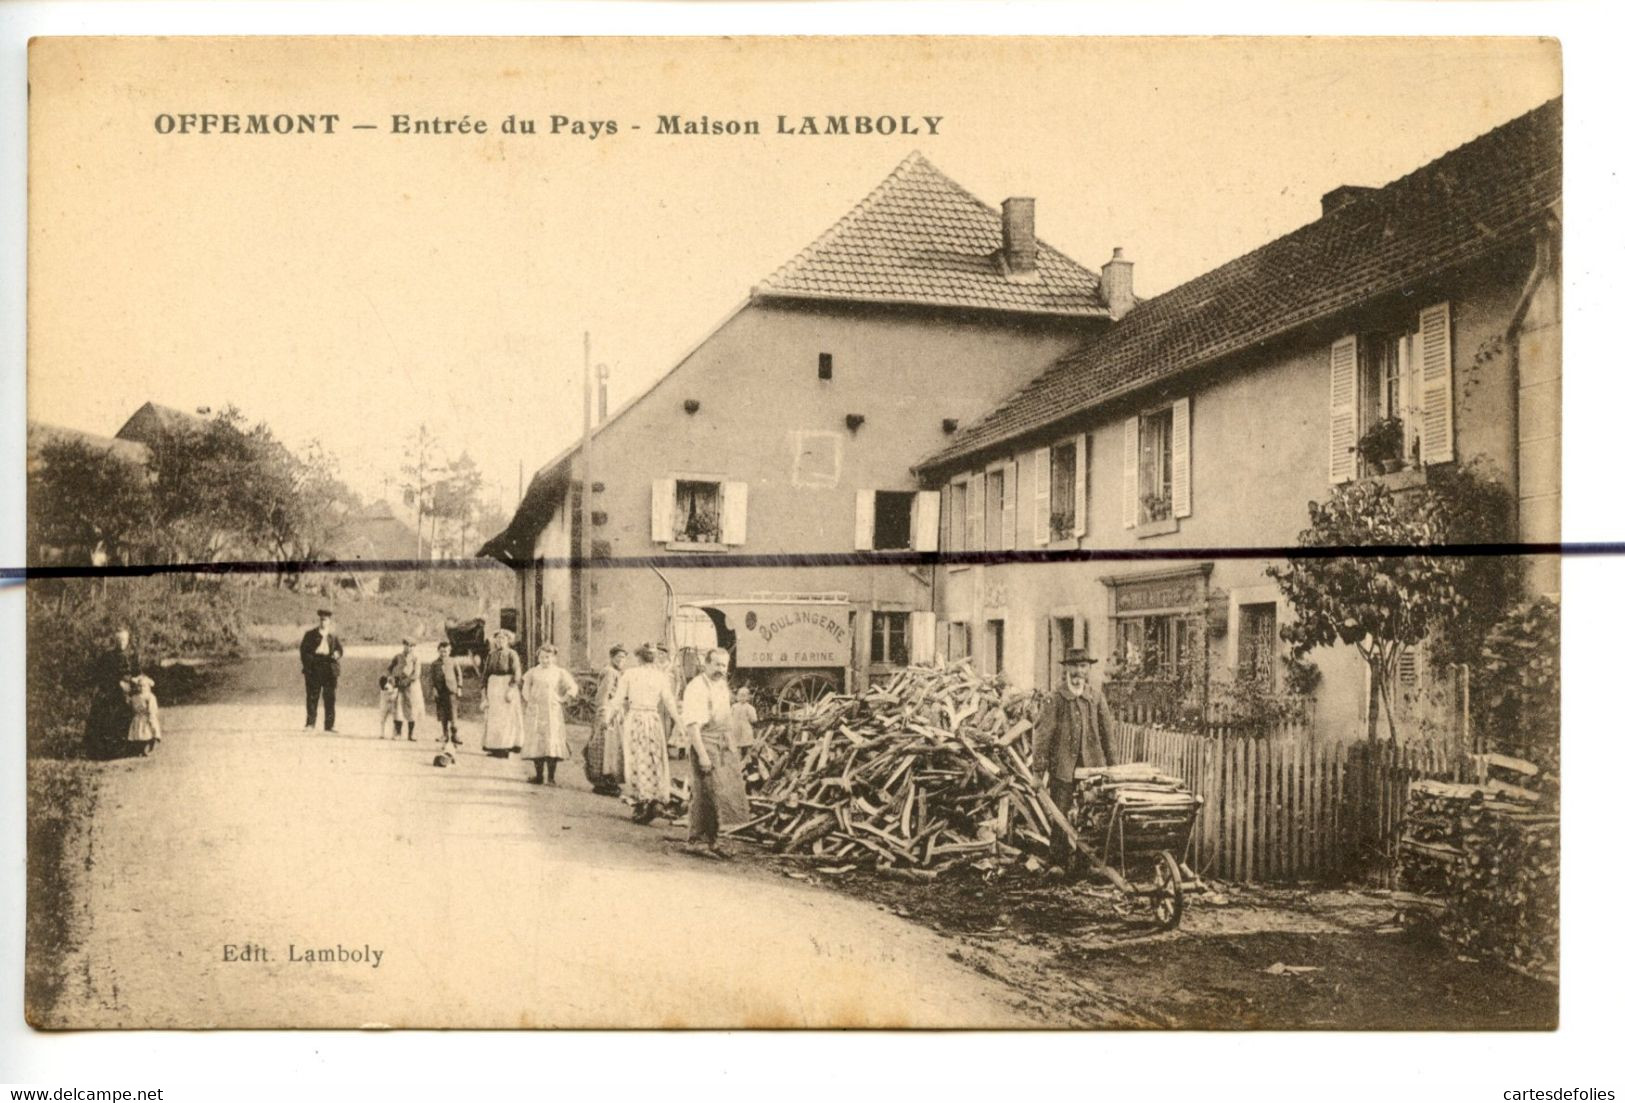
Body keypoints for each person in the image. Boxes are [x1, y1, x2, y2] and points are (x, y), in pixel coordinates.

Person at [1031, 646, 1115, 873]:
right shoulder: (1054, 699)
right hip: (1063, 769)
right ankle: (1057, 862)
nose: (1078, 672)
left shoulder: (1096, 698)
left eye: (1083, 666)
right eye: (1074, 667)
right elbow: (1042, 736)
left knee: (1090, 814)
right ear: (1066, 669)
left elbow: (1108, 735)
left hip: (1092, 769)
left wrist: (1114, 770)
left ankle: (1084, 863)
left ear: (1088, 670)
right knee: (1061, 812)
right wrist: (1038, 772)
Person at [681, 648, 750, 858]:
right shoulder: (696, 688)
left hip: (723, 743)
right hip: (706, 743)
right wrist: (702, 755)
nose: (721, 669)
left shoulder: (720, 684)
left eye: (724, 665)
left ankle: (715, 840)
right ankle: (697, 841)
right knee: (705, 793)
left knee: (723, 793)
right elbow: (693, 725)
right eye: (717, 664)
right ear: (706, 664)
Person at [605, 643, 681, 824]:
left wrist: (607, 719)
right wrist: (679, 722)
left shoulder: (630, 674)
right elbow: (669, 701)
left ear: (638, 657)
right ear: (654, 658)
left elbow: (617, 700)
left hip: (636, 719)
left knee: (636, 758)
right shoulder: (660, 676)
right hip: (653, 719)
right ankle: (652, 798)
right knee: (653, 757)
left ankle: (643, 800)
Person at [520, 644, 578, 785]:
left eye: (547, 657)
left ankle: (551, 778)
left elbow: (573, 687)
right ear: (538, 657)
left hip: (552, 711)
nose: (544, 660)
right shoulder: (533, 672)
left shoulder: (559, 672)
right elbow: (525, 687)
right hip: (536, 711)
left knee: (552, 740)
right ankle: (539, 776)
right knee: (537, 741)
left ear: (553, 658)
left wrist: (563, 698)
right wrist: (529, 700)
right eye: (541, 657)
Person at [85, 626, 142, 759]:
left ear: (128, 640)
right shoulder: (108, 656)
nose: (121, 642)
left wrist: (134, 680)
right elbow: (101, 675)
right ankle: (107, 751)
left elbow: (138, 672)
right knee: (108, 710)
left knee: (137, 706)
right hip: (112, 689)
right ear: (115, 641)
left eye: (124, 639)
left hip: (130, 688)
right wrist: (117, 682)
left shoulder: (133, 655)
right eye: (118, 640)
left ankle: (133, 746)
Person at [584, 644, 628, 796]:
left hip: (615, 712)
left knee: (612, 748)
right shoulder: (610, 672)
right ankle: (604, 782)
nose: (621, 660)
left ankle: (608, 780)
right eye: (618, 657)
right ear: (612, 658)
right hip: (608, 712)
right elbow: (603, 695)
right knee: (606, 747)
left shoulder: (618, 672)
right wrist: (604, 714)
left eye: (624, 658)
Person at [298, 609, 344, 733]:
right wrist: (310, 664)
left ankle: (329, 725)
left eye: (326, 620)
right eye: (321, 619)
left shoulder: (333, 636)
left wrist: (336, 654)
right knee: (312, 696)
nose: (323, 622)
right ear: (319, 620)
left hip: (329, 668)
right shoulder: (310, 635)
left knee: (330, 697)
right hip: (315, 667)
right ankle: (310, 724)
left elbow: (340, 650)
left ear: (330, 621)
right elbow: (303, 651)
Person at [481, 629, 525, 757]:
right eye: (498, 638)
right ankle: (494, 747)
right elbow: (486, 673)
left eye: (503, 639)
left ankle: (506, 746)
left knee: (507, 717)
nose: (500, 641)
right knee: (494, 718)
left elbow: (517, 672)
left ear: (508, 640)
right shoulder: (491, 654)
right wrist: (483, 689)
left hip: (506, 686)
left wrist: (511, 688)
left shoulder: (512, 654)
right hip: (493, 687)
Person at [387, 637, 427, 741]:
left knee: (412, 710)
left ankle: (411, 734)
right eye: (407, 645)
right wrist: (392, 678)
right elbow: (390, 668)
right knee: (398, 709)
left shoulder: (416, 659)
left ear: (414, 647)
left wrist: (406, 681)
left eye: (411, 646)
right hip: (399, 687)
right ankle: (398, 733)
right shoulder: (398, 657)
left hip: (412, 687)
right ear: (403, 645)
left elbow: (416, 674)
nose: (409, 648)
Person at [427, 641, 464, 746]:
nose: (443, 653)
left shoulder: (453, 661)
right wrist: (434, 689)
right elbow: (431, 678)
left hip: (451, 691)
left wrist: (459, 687)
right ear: (438, 651)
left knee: (453, 714)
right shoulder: (434, 664)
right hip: (440, 691)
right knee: (443, 714)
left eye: (446, 651)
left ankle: (455, 735)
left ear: (449, 651)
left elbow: (459, 675)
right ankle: (444, 734)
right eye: (441, 651)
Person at [123, 672, 162, 755]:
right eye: (139, 686)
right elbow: (131, 706)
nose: (141, 688)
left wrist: (151, 716)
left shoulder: (150, 697)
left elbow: (152, 709)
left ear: (148, 687)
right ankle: (140, 749)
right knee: (139, 734)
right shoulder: (134, 697)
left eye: (143, 686)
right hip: (137, 717)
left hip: (147, 717)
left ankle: (148, 746)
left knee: (149, 732)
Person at [730, 686, 759, 751]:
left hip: (745, 729)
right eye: (740, 695)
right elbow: (730, 716)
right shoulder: (734, 707)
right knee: (737, 745)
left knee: (745, 745)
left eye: (744, 696)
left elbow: (754, 719)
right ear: (737, 696)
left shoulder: (750, 708)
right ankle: (739, 757)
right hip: (736, 728)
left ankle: (746, 756)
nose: (742, 698)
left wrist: (750, 718)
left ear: (748, 697)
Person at [377, 675, 401, 739]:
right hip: (385, 704)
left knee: (394, 719)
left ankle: (393, 734)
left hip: (391, 705)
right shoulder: (386, 687)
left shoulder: (394, 688)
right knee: (383, 719)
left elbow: (393, 696)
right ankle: (382, 734)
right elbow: (391, 697)